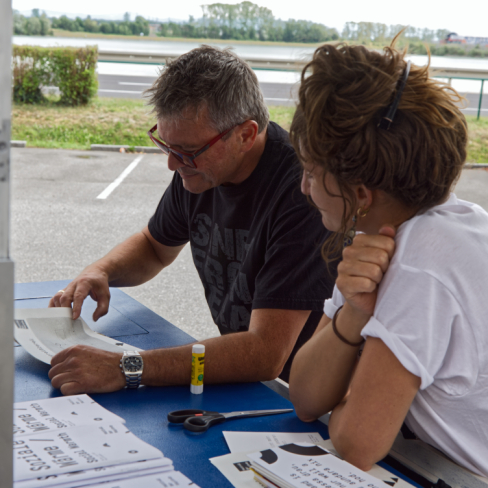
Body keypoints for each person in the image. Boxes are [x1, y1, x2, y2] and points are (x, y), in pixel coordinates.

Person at [48, 45, 336, 395]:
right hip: (247, 382)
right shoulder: (201, 169)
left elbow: (265, 352)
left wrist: (127, 367)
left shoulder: (303, 194)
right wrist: (102, 271)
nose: (172, 164)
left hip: (301, 397)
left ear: (245, 134)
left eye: (186, 151)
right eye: (165, 145)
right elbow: (155, 247)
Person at [288, 41, 488, 477]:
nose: (303, 188)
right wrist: (354, 313)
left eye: (309, 171)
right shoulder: (399, 232)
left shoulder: (422, 261)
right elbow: (304, 397)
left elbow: (357, 443)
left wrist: (349, 399)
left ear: (360, 194)